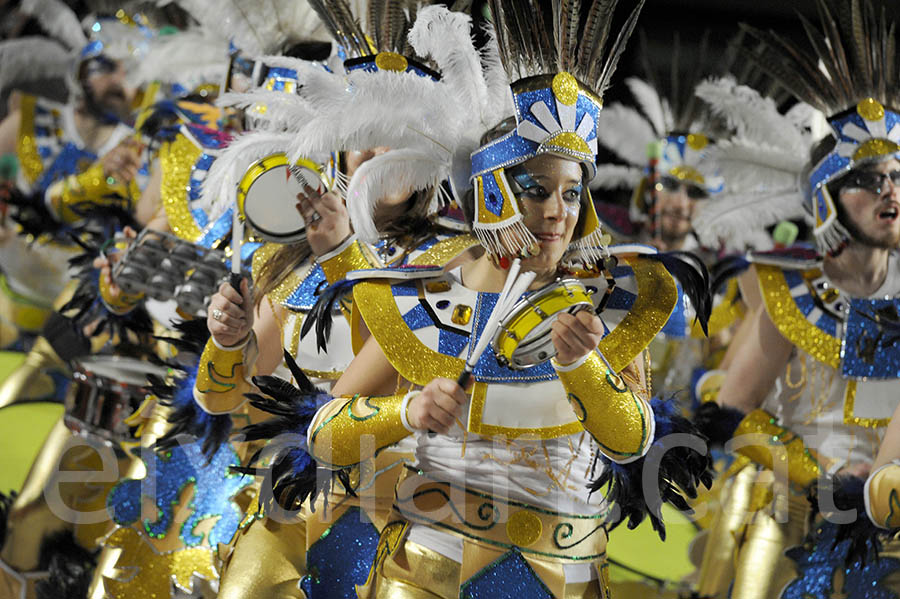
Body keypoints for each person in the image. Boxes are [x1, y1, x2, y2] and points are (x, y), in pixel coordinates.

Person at [238, 1, 714, 596]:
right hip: (423, 570)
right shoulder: (428, 289)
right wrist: (405, 413)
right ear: (491, 191)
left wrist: (583, 368)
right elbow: (325, 430)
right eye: (535, 189)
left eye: (571, 193)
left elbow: (632, 444)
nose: (556, 213)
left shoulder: (611, 299)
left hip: (558, 576)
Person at [690, 2, 900, 595]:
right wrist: (814, 474)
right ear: (826, 196)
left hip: (887, 524)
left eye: (898, 175)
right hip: (790, 516)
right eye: (868, 178)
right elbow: (730, 414)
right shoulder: (790, 290)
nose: (890, 190)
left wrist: (876, 485)